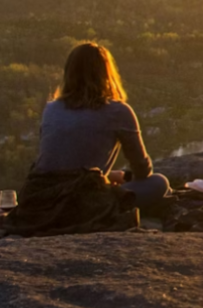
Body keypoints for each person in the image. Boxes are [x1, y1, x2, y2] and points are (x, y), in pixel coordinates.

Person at [31, 42, 171, 210]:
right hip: (84, 204)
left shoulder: (51, 109)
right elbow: (142, 170)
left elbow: (60, 163)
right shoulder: (118, 111)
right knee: (158, 183)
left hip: (42, 200)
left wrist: (111, 175)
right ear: (106, 73)